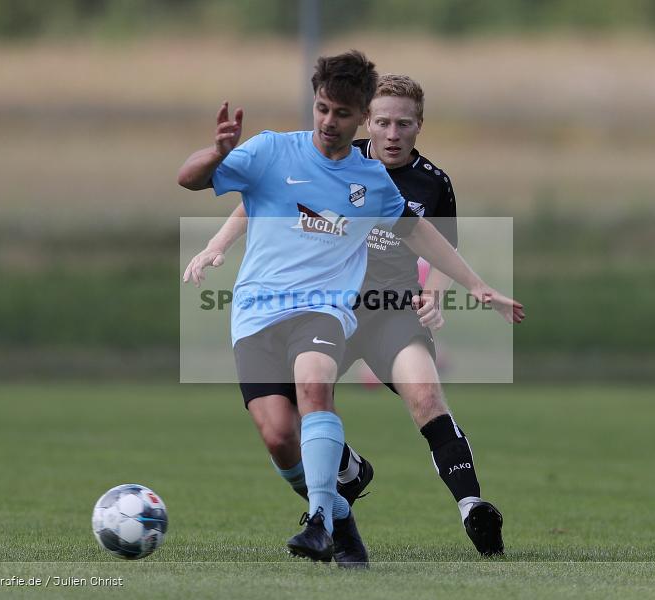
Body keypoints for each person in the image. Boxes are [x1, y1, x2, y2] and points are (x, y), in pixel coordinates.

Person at [178, 50, 524, 566]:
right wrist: (216, 229)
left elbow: (428, 239)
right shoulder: (301, 152)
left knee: (404, 394)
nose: (391, 133)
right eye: (382, 121)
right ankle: (342, 492)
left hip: (368, 310)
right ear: (366, 119)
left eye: (402, 123)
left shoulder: (408, 182)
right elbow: (238, 192)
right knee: (282, 427)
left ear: (415, 125)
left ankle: (459, 506)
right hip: (291, 308)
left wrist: (462, 289)